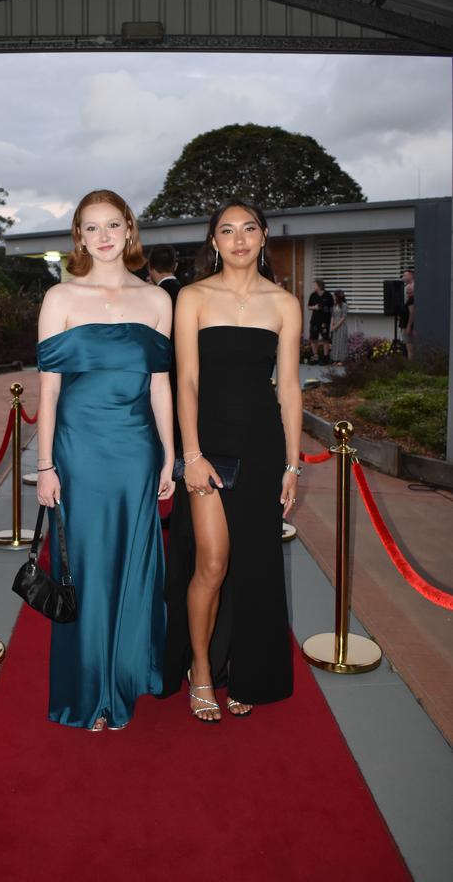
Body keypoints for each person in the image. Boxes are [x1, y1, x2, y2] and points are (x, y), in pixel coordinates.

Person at [36, 188, 175, 732]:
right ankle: (90, 693)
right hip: (79, 449)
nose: (103, 236)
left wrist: (167, 455)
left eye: (112, 225)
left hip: (136, 449)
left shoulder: (158, 300)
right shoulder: (60, 298)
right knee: (86, 568)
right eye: (91, 228)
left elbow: (160, 388)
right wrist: (45, 466)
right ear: (79, 237)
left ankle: (126, 679)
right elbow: (46, 392)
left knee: (136, 565)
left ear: (129, 230)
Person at [161, 198, 301, 722]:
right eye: (227, 230)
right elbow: (187, 381)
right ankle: (200, 669)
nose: (239, 238)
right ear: (213, 241)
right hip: (208, 446)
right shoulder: (193, 298)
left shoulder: (284, 304)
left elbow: (287, 387)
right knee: (213, 562)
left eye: (248, 229)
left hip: (263, 445)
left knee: (256, 565)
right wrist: (190, 454)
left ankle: (248, 672)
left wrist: (292, 464)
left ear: (264, 236)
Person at [149, 245, 183, 455]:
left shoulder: (152, 296)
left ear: (150, 268)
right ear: (176, 266)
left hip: (159, 371)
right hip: (184, 370)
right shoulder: (188, 294)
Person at [308, 279, 333, 363]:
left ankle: (325, 358)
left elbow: (332, 308)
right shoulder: (313, 295)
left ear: (319, 286)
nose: (313, 287)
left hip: (325, 321)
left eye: (314, 285)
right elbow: (309, 306)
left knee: (325, 339)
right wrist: (314, 307)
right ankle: (315, 357)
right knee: (313, 339)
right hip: (315, 320)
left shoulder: (328, 295)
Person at [330, 289, 349, 365]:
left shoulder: (344, 305)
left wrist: (336, 326)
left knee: (341, 342)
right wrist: (331, 326)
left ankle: (341, 360)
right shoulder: (334, 305)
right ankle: (335, 359)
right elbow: (332, 316)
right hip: (334, 326)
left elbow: (343, 317)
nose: (333, 297)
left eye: (334, 295)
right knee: (335, 343)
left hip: (341, 326)